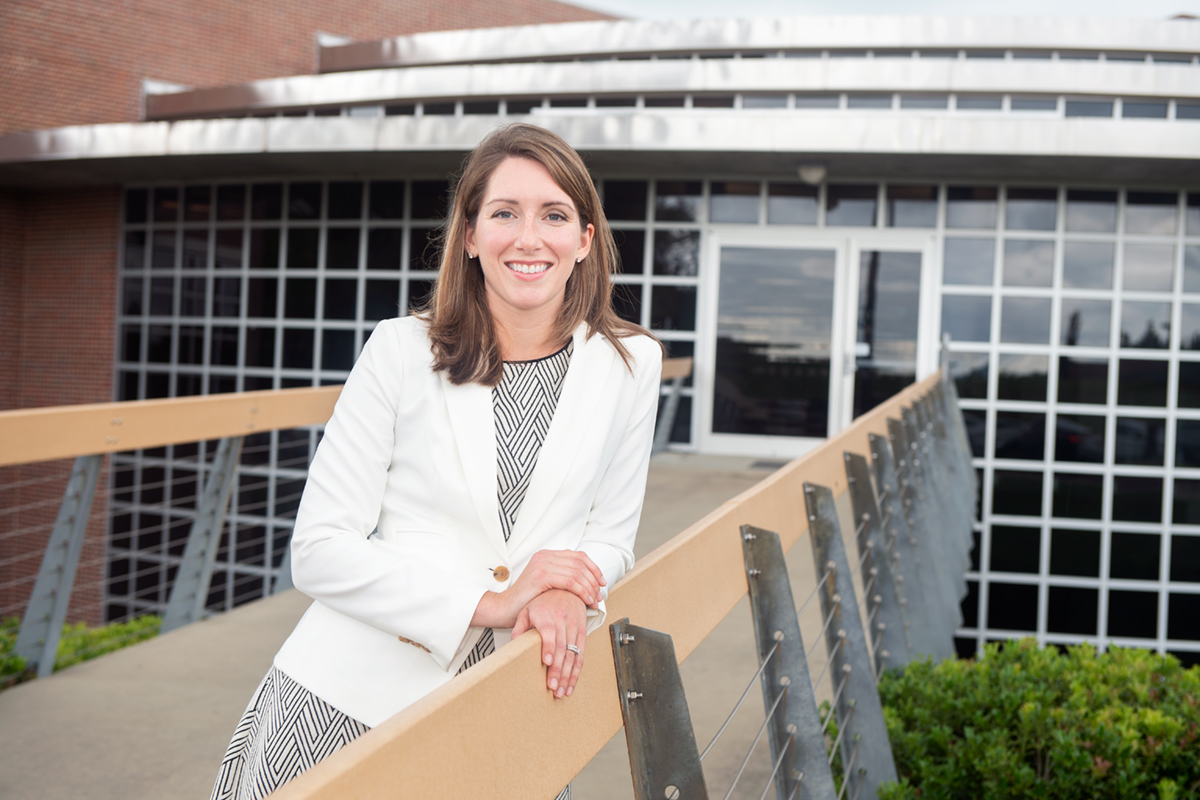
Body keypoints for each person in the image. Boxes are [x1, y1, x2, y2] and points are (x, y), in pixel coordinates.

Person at [210, 123, 663, 800]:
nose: (529, 237)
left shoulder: (632, 363)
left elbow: (611, 536)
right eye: (504, 213)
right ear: (472, 236)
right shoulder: (398, 351)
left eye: (554, 215)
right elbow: (318, 549)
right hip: (347, 706)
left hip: (507, 709)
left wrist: (570, 588)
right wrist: (493, 601)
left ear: (584, 240)